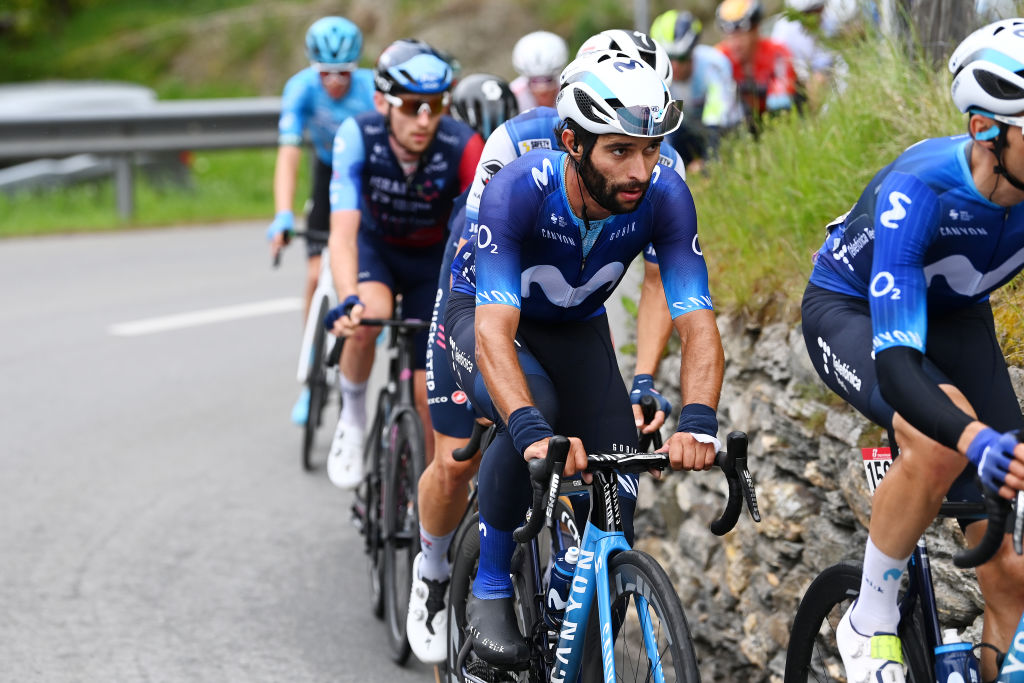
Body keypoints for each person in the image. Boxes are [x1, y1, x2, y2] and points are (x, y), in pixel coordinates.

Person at [444, 49, 725, 669]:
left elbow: (698, 324)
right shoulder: (521, 188)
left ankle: (568, 598)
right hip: (486, 319)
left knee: (618, 490)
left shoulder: (665, 195)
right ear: (572, 141)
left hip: (576, 329)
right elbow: (494, 332)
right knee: (535, 413)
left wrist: (700, 419)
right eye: (619, 151)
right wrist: (530, 431)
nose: (640, 170)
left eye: (650, 150)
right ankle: (490, 583)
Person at [800, 19, 1024, 683]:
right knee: (941, 441)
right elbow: (898, 366)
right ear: (988, 130)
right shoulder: (920, 188)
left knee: (1009, 572)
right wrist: (977, 436)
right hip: (854, 310)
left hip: (958, 317)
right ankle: (868, 617)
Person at [323, 39, 484, 489]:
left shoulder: (463, 144)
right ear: (381, 102)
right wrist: (347, 297)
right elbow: (342, 232)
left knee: (424, 394)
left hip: (433, 261)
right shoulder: (358, 135)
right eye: (413, 106)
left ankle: (420, 503)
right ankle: (352, 422)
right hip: (377, 248)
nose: (425, 119)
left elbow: (482, 233)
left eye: (436, 105)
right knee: (367, 318)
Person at [406, 73, 518, 664]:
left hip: (525, 315)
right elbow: (459, 301)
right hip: (465, 304)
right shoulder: (478, 191)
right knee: (457, 460)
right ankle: (432, 568)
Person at [266, 16, 376, 426]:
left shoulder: (369, 90)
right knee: (316, 273)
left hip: (366, 175)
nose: (333, 81)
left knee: (360, 266)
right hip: (328, 171)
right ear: (314, 67)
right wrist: (282, 213)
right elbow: (289, 154)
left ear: (355, 67)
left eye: (343, 72)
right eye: (325, 73)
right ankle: (312, 371)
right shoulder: (300, 89)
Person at [650, 9, 741, 172]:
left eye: (682, 57)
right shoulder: (656, 74)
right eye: (669, 57)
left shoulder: (713, 65)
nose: (675, 66)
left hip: (726, 129)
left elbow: (717, 122)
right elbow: (662, 129)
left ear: (693, 52)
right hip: (689, 130)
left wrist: (708, 166)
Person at [715, 0, 797, 134]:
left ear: (756, 29)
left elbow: (781, 104)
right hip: (741, 123)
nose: (735, 42)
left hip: (776, 115)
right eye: (729, 35)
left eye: (741, 33)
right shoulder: (718, 58)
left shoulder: (777, 53)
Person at [770, 0, 847, 109]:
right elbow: (778, 67)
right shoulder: (783, 30)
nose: (813, 17)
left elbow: (833, 63)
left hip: (825, 81)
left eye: (817, 10)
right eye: (807, 13)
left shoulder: (831, 24)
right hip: (794, 83)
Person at [509, 30, 569, 112]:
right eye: (534, 81)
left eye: (548, 80)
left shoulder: (570, 90)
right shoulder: (512, 96)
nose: (542, 89)